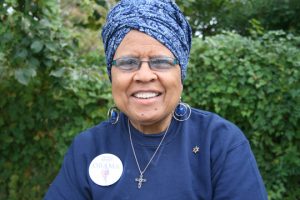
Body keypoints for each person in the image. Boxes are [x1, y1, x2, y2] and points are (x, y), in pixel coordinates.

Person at [45, 0, 268, 199]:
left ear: (180, 74)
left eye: (161, 62)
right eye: (127, 62)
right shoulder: (88, 148)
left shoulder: (219, 143)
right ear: (111, 74)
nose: (144, 75)